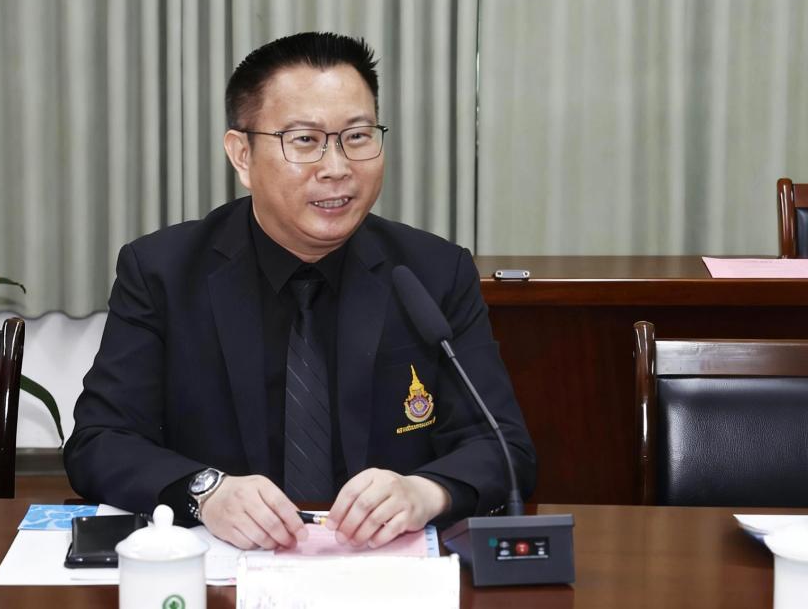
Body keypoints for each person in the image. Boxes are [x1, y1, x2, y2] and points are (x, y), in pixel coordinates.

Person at [64, 32, 536, 551]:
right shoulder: (163, 273)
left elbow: (502, 445)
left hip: (381, 569)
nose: (337, 168)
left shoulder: (433, 272)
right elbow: (99, 441)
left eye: (357, 136)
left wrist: (424, 492)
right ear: (241, 155)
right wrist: (206, 491)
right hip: (221, 571)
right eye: (305, 140)